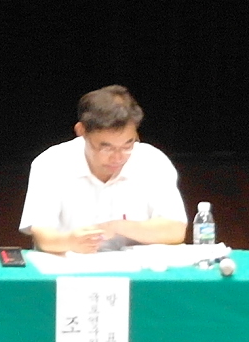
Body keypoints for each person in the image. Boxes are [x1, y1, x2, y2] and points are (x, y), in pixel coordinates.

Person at [18, 84, 188, 254]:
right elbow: (43, 236)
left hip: (136, 266)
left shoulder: (152, 161)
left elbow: (175, 230)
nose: (118, 157)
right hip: (72, 265)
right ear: (81, 131)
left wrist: (117, 227)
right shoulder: (51, 163)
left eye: (128, 145)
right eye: (106, 148)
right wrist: (69, 241)